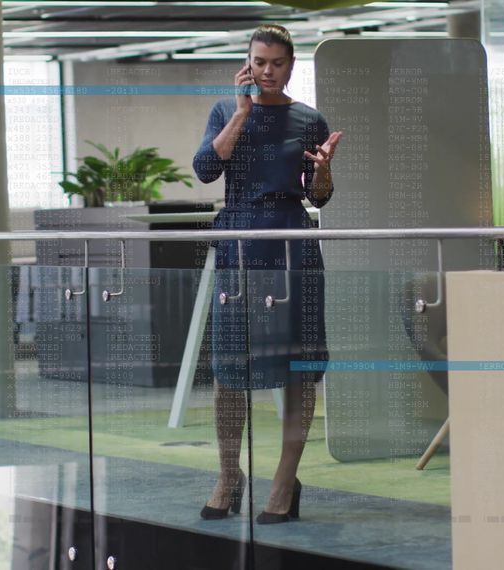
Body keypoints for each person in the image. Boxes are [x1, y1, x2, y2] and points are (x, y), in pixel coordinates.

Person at [192, 23, 342, 525]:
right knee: (229, 369)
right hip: (238, 245)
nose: (267, 71)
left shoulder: (309, 119)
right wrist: (240, 114)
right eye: (259, 62)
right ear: (247, 63)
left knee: (298, 368)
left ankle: (283, 481)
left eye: (277, 63)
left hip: (292, 245)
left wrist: (321, 174)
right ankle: (228, 475)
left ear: (291, 66)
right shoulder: (225, 109)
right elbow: (205, 170)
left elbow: (317, 196)